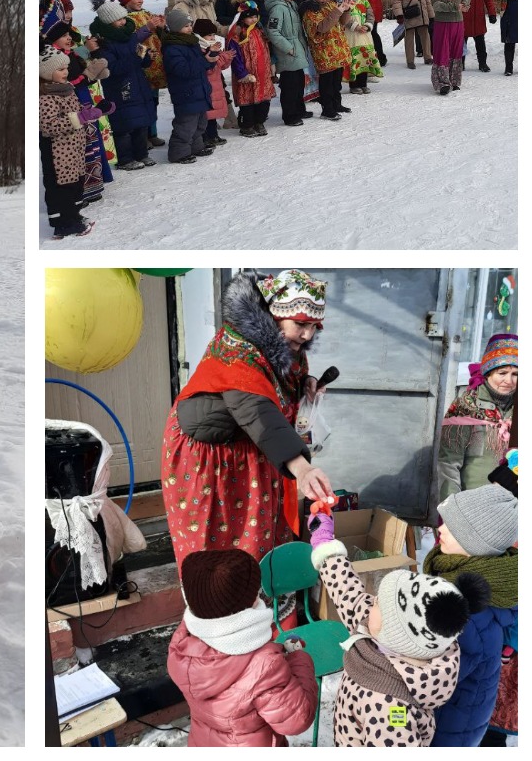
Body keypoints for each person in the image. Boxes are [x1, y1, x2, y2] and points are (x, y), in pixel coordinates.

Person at [160, 268, 334, 578]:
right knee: (219, 553)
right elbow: (256, 409)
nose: (307, 335)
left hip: (253, 449)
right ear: (275, 314)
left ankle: (264, 611)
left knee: (260, 542)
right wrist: (302, 468)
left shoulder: (287, 346)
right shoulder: (237, 350)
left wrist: (305, 382)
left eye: (313, 327)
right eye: (300, 325)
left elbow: (277, 384)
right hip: (211, 459)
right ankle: (223, 621)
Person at [307, 508, 488, 746]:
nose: (370, 602)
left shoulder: (391, 711)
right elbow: (348, 593)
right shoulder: (381, 629)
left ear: (398, 636)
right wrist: (324, 541)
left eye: (379, 604)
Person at [167, 549, 318, 747]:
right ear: (247, 603)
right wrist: (298, 659)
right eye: (256, 593)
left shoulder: (182, 644)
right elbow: (297, 720)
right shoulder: (264, 666)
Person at [425, 485, 518, 747]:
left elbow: (435, 680)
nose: (440, 530)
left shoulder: (472, 613)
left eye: (452, 528)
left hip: (447, 727)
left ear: (475, 544)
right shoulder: (466, 576)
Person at [38, 47, 112, 238]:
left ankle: (74, 216)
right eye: (60, 69)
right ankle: (63, 224)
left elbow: (80, 112)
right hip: (58, 153)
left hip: (74, 149)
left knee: (76, 184)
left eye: (66, 68)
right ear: (46, 72)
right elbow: (49, 126)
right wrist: (80, 117)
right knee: (63, 189)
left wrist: (98, 111)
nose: (66, 72)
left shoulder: (67, 90)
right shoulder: (46, 97)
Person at [438, 334, 517, 502]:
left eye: (515, 374)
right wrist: (450, 510)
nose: (509, 381)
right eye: (502, 373)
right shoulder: (466, 407)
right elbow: (448, 464)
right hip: (473, 506)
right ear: (488, 372)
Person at [89, 0, 162, 171]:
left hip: (138, 83)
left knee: (141, 122)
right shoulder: (105, 44)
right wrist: (136, 58)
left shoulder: (128, 36)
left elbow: (137, 60)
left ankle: (141, 154)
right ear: (108, 22)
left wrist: (146, 58)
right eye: (118, 20)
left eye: (123, 18)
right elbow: (113, 68)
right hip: (120, 88)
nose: (123, 22)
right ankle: (125, 158)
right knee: (124, 124)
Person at [161, 7, 219, 163]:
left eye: (190, 25)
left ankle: (196, 146)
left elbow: (201, 65)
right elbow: (183, 70)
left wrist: (210, 58)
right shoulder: (172, 47)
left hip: (198, 90)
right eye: (186, 26)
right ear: (175, 27)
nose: (190, 28)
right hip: (185, 92)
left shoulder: (191, 42)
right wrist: (204, 60)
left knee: (200, 123)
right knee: (185, 125)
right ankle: (178, 152)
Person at [113, 0, 166, 147]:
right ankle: (142, 137)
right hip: (139, 66)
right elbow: (129, 40)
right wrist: (148, 28)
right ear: (126, 0)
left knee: (153, 101)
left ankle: (153, 133)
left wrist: (162, 27)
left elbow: (161, 36)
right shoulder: (123, 19)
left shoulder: (147, 13)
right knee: (140, 102)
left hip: (155, 66)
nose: (140, 0)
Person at [301, 0, 353, 119]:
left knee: (336, 81)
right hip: (324, 52)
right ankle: (327, 109)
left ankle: (337, 104)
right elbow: (322, 27)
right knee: (327, 84)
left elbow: (343, 22)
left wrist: (346, 10)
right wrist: (337, 11)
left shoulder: (331, 3)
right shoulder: (310, 10)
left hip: (337, 49)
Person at [265, 0, 312, 126]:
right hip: (288, 52)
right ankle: (290, 115)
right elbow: (272, 31)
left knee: (298, 83)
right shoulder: (278, 9)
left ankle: (299, 109)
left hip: (296, 48)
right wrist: (288, 47)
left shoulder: (289, 5)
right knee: (289, 86)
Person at [225, 0, 275, 137]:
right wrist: (242, 73)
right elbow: (234, 55)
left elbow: (267, 50)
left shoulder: (259, 30)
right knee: (248, 101)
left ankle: (259, 122)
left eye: (255, 16)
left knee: (264, 101)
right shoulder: (237, 33)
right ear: (242, 17)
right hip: (247, 75)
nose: (253, 20)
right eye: (249, 17)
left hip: (262, 73)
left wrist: (271, 67)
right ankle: (247, 125)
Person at [429, 0, 471, 95]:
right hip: (443, 24)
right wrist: (453, 6)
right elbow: (436, 5)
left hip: (458, 23)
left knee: (456, 51)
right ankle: (442, 83)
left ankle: (454, 81)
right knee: (442, 52)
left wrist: (465, 4)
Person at [193, 18, 236, 146]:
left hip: (216, 83)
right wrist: (218, 56)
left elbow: (221, 66)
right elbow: (208, 68)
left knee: (213, 112)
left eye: (213, 34)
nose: (212, 37)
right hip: (207, 84)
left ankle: (213, 135)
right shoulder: (200, 48)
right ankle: (206, 137)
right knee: (207, 113)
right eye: (209, 35)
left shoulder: (212, 46)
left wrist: (226, 58)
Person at [339, 0, 383, 94]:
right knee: (354, 59)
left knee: (365, 58)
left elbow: (370, 15)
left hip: (364, 36)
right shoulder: (344, 0)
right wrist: (355, 26)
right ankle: (354, 85)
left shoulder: (364, 0)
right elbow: (343, 18)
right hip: (351, 35)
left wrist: (367, 25)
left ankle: (363, 84)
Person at [391, 0, 434, 69]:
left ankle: (428, 57)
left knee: (425, 36)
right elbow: (396, 0)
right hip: (409, 15)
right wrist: (399, 15)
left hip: (422, 15)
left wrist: (431, 15)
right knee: (409, 38)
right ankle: (410, 61)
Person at [457, 0, 496, 73]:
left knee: (480, 43)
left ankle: (483, 64)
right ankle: (460, 64)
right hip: (462, 19)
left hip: (478, 18)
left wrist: (492, 13)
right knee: (461, 43)